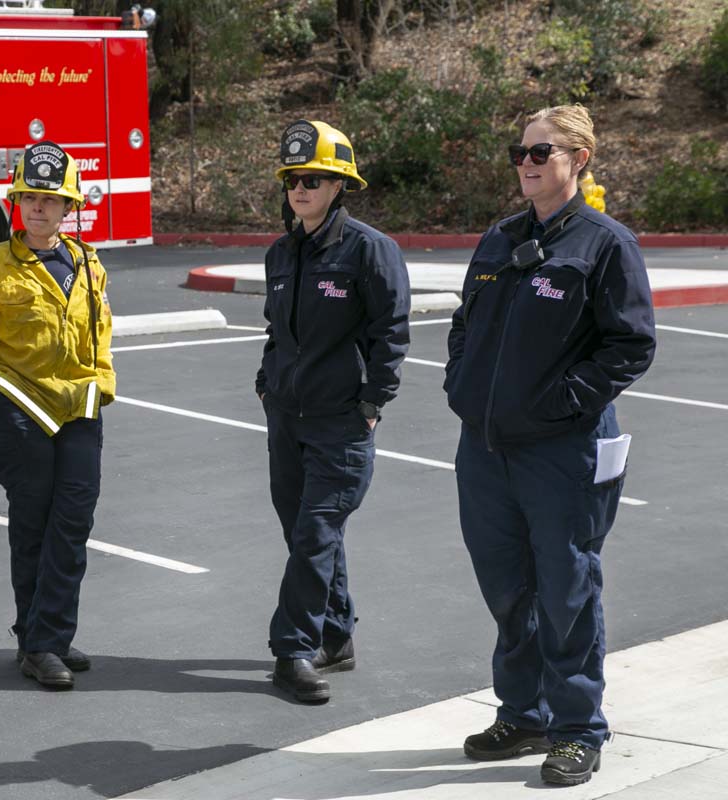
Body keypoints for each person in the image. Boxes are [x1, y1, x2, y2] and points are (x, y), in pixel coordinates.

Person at [444, 104, 656, 786]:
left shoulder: (604, 244)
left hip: (562, 452)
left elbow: (630, 345)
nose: (526, 162)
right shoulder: (500, 239)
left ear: (579, 159)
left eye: (542, 152)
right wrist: (462, 387)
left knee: (567, 588)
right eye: (520, 151)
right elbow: (464, 327)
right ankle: (525, 714)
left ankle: (576, 729)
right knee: (508, 590)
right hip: (485, 450)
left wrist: (564, 406)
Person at [256, 119, 410, 703]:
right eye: (294, 178)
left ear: (340, 184)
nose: (302, 188)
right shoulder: (282, 252)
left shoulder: (371, 251)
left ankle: (292, 650)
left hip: (341, 424)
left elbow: (390, 335)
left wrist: (373, 402)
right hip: (286, 418)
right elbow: (278, 332)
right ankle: (337, 637)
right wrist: (266, 382)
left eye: (315, 178)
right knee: (306, 533)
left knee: (315, 533)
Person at [0, 140, 114, 691]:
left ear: (68, 207)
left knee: (72, 524)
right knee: (34, 526)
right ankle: (41, 642)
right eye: (30, 197)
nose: (39, 207)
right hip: (19, 409)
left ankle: (47, 635)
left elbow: (101, 333)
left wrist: (104, 382)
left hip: (80, 408)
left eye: (50, 198)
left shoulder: (89, 263)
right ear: (18, 201)